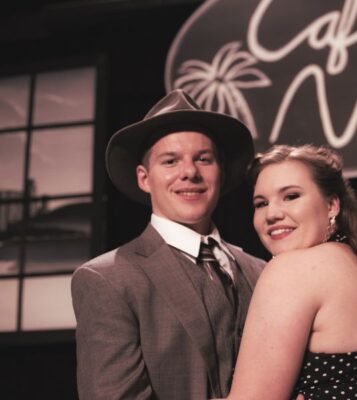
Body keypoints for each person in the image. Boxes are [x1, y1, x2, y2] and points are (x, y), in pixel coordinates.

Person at [71, 89, 266, 400]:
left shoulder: (262, 272)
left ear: (222, 171)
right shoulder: (108, 279)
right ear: (144, 178)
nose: (189, 172)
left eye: (203, 159)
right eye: (171, 161)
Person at [224, 145, 357, 400]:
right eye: (261, 203)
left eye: (291, 196)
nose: (272, 214)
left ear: (332, 205)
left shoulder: (294, 269)